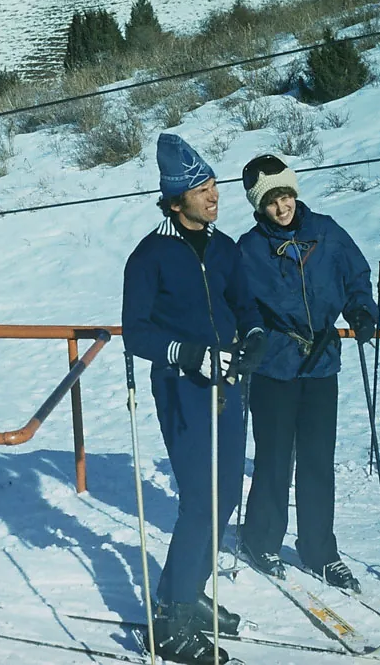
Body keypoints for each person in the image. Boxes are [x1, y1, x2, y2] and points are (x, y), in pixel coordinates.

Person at [122, 134, 268, 665]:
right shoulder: (150, 255)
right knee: (200, 500)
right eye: (203, 189)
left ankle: (189, 590)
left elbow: (245, 306)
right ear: (176, 198)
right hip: (183, 388)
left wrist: (252, 337)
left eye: (214, 186)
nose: (214, 196)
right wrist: (187, 355)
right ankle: (169, 614)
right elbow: (135, 331)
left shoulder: (225, 247)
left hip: (230, 384)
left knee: (226, 496)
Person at [235, 154, 377, 593]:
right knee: (275, 458)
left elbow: (357, 276)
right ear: (260, 206)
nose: (282, 207)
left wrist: (361, 310)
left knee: (317, 461)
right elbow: (241, 302)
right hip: (274, 364)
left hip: (321, 364)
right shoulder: (249, 248)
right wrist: (251, 335)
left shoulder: (327, 233)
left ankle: (320, 551)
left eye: (286, 196)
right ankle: (261, 539)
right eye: (272, 201)